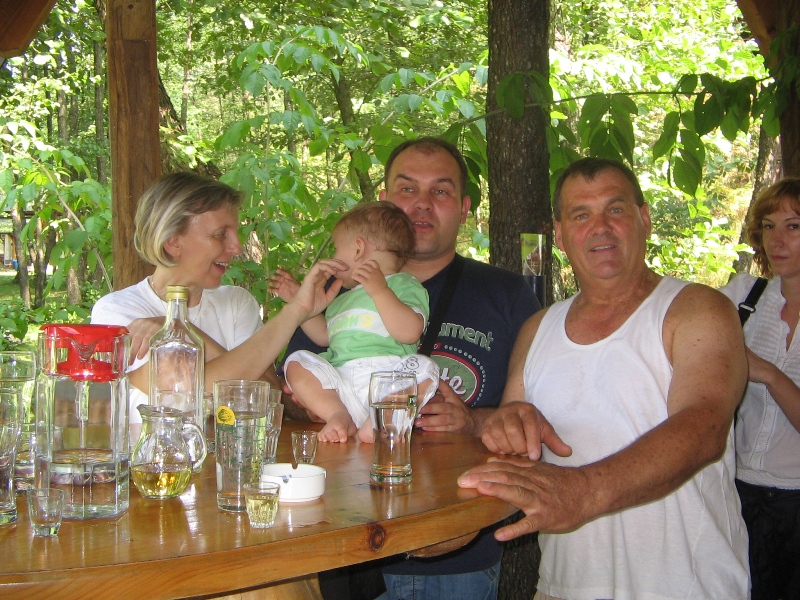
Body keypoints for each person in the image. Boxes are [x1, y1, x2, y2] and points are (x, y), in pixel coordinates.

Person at [458, 157, 750, 599]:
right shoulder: (537, 329)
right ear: (559, 235)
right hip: (564, 586)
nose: (600, 227)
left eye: (615, 209)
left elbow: (704, 426)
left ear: (644, 218)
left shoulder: (697, 309)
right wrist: (499, 424)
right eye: (581, 215)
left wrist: (584, 491)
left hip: (685, 586)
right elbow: (514, 434)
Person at [273, 138, 540, 600]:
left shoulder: (508, 295)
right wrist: (323, 408)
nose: (422, 203)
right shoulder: (335, 290)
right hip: (337, 541)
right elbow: (289, 393)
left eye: (441, 191)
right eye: (407, 188)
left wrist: (472, 421)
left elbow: (537, 414)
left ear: (464, 209)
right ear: (383, 200)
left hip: (451, 550)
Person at [92, 171, 343, 420]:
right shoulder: (118, 311)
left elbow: (267, 394)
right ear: (173, 242)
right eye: (221, 234)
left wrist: (182, 329)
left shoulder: (236, 302)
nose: (237, 247)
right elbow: (185, 393)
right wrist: (295, 311)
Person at [279, 202, 439, 443]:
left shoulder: (404, 285)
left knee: (425, 369)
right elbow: (324, 337)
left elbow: (410, 332)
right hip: (340, 383)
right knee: (296, 361)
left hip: (387, 383)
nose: (333, 257)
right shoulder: (343, 298)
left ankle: (379, 422)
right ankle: (338, 415)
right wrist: (298, 303)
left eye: (336, 249)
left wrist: (380, 291)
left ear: (358, 249)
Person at [720, 177, 800, 600]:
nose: (777, 240)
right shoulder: (744, 296)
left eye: (793, 226)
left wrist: (768, 373)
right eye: (769, 226)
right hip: (738, 492)